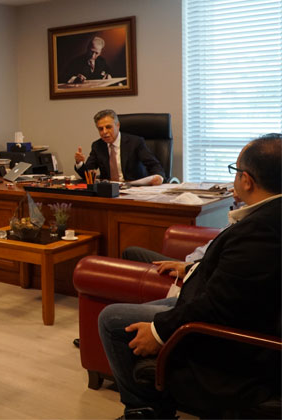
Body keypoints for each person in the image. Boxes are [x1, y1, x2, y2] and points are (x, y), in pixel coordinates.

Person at [98, 133, 281, 418]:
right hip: (210, 300)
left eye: (235, 171)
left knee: (112, 319)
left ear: (247, 180)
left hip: (227, 341)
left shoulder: (261, 230)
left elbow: (219, 305)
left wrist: (159, 331)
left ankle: (146, 411)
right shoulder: (268, 216)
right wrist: (191, 268)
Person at [74, 109, 164, 185]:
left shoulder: (135, 142)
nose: (104, 132)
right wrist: (79, 163)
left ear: (118, 126)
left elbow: (154, 165)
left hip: (134, 188)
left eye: (108, 127)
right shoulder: (97, 146)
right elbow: (88, 175)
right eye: (101, 129)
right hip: (108, 191)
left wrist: (159, 177)